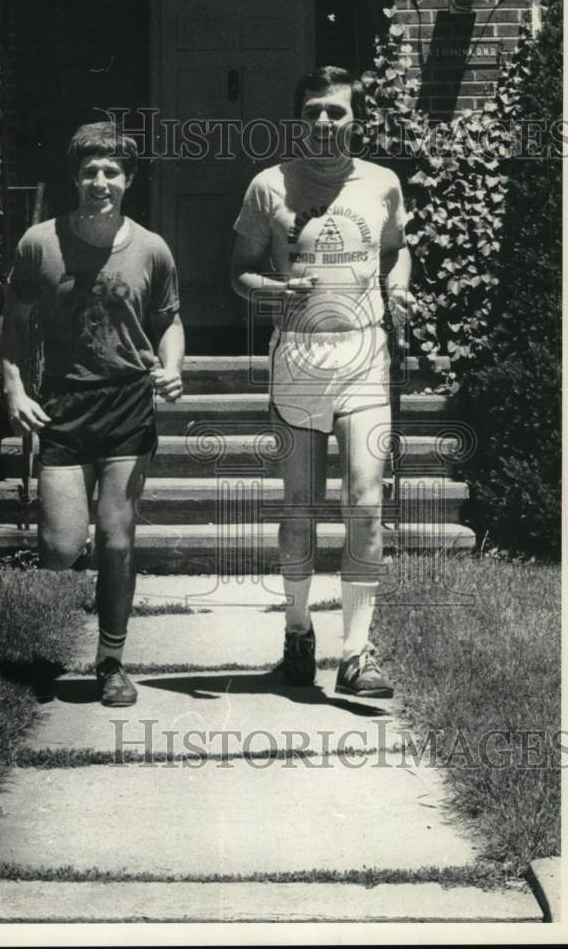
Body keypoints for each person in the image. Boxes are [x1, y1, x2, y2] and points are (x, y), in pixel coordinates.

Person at [231, 66, 413, 699]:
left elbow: (396, 249)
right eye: (313, 111)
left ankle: (358, 654)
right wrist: (277, 290)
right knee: (300, 509)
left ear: (355, 118)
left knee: (366, 505)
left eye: (336, 111)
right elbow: (239, 273)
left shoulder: (382, 184)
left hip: (364, 360)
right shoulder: (267, 186)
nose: (324, 122)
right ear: (299, 117)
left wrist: (398, 283)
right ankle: (298, 635)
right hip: (300, 362)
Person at [0, 121, 184, 707]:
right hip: (62, 403)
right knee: (59, 545)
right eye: (89, 172)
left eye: (111, 172)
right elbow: (15, 317)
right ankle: (48, 643)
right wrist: (13, 389)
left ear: (128, 180)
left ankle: (110, 661)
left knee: (116, 539)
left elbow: (169, 321)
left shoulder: (151, 248)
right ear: (74, 178)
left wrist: (173, 366)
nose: (99, 182)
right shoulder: (39, 243)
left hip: (127, 402)